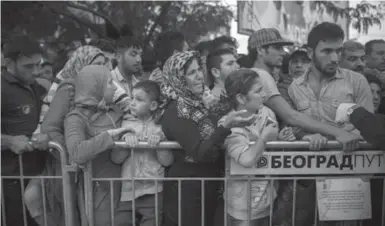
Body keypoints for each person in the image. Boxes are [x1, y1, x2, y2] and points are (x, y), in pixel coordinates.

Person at [158, 51, 258, 226]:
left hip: (210, 188)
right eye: (191, 73)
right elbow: (201, 152)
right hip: (188, 193)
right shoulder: (175, 111)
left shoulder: (200, 104)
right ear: (178, 79)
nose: (199, 76)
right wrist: (225, 126)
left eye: (199, 70)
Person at [247, 28, 363, 151]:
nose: (283, 53)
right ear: (260, 50)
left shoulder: (256, 75)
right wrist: (339, 133)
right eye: (277, 48)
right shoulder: (260, 75)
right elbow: (291, 116)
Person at [64, 65, 131, 226]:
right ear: (96, 87)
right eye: (109, 83)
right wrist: (108, 136)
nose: (114, 87)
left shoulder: (113, 110)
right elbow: (76, 152)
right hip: (98, 191)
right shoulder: (75, 118)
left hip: (123, 188)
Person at [219, 68, 284, 226]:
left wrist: (281, 139)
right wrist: (264, 138)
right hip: (242, 208)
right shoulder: (226, 124)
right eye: (258, 91)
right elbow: (247, 159)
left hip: (268, 199)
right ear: (241, 97)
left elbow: (271, 144)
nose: (264, 95)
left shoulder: (267, 112)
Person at [112, 80, 173, 225]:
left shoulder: (161, 126)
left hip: (153, 191)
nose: (132, 103)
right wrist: (125, 144)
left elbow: (167, 161)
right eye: (132, 98)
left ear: (152, 105)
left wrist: (159, 145)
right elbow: (116, 159)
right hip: (127, 191)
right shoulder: (125, 124)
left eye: (138, 99)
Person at [1, 34, 48, 226]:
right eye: (29, 66)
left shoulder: (38, 87)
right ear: (9, 62)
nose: (36, 71)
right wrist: (9, 141)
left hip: (40, 175)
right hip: (10, 180)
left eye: (39, 64)